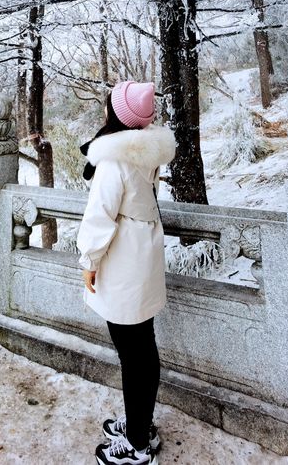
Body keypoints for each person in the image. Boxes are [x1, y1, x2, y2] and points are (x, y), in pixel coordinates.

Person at [77, 81, 175, 465]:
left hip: (122, 262)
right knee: (141, 346)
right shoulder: (147, 151)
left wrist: (88, 261)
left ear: (116, 115)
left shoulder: (114, 160)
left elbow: (99, 216)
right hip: (143, 256)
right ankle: (141, 421)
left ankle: (137, 443)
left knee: (133, 354)